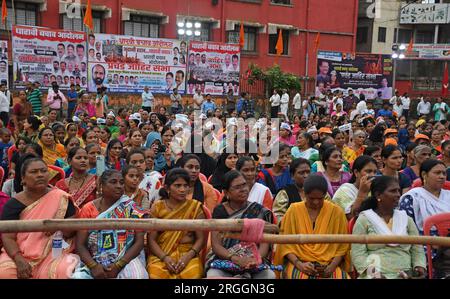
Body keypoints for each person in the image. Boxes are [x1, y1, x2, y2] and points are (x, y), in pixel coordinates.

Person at [0, 157, 80, 278]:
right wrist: (19, 259)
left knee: (63, 270)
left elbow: (71, 231)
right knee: (5, 272)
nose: (40, 175)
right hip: (17, 252)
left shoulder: (61, 197)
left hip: (53, 250)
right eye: (34, 172)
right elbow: (8, 237)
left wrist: (59, 225)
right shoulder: (13, 204)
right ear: (23, 179)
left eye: (43, 171)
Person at [73, 170, 149, 279]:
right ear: (101, 185)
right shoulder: (88, 209)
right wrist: (94, 266)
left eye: (121, 182)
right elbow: (80, 244)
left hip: (125, 259)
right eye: (113, 182)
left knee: (137, 276)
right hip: (94, 260)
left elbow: (139, 242)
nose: (119, 186)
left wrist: (118, 266)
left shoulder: (131, 208)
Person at [274, 175, 350, 279]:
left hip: (329, 264)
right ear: (304, 193)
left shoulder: (336, 212)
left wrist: (331, 267)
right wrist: (299, 264)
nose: (316, 202)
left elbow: (342, 246)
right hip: (299, 262)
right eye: (311, 198)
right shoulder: (293, 210)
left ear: (325, 195)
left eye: (320, 198)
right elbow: (285, 245)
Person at [351, 176, 427, 279]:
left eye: (398, 191)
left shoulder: (406, 219)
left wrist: (419, 268)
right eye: (393, 191)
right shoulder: (364, 219)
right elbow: (358, 253)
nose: (398, 195)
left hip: (405, 274)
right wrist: (374, 274)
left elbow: (417, 249)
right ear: (378, 195)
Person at [206, 170, 275, 279]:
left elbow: (264, 245)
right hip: (225, 261)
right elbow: (216, 245)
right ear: (226, 193)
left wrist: (254, 260)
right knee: (213, 275)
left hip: (254, 262)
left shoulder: (259, 211)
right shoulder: (220, 211)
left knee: (269, 276)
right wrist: (235, 258)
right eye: (237, 187)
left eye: (244, 185)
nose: (243, 189)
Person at [147, 169, 205, 279]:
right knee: (156, 275)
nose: (182, 190)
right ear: (167, 188)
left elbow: (200, 239)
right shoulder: (158, 207)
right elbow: (151, 239)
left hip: (187, 253)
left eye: (185, 186)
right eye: (177, 186)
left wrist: (188, 257)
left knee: (194, 274)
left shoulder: (195, 207)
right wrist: (165, 258)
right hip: (161, 254)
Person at [399, 159, 450, 234]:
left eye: (444, 173)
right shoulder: (412, 197)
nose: (442, 176)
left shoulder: (448, 195)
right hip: (423, 242)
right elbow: (406, 228)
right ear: (424, 175)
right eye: (437, 173)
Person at [332, 155, 378, 219]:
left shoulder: (375, 191)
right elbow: (351, 217)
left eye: (375, 172)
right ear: (356, 172)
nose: (372, 175)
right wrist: (361, 194)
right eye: (368, 171)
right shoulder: (345, 191)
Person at [272, 158, 312, 222]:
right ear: (292, 176)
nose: (306, 176)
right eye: (301, 173)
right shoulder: (284, 193)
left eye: (308, 172)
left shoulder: (318, 190)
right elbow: (278, 216)